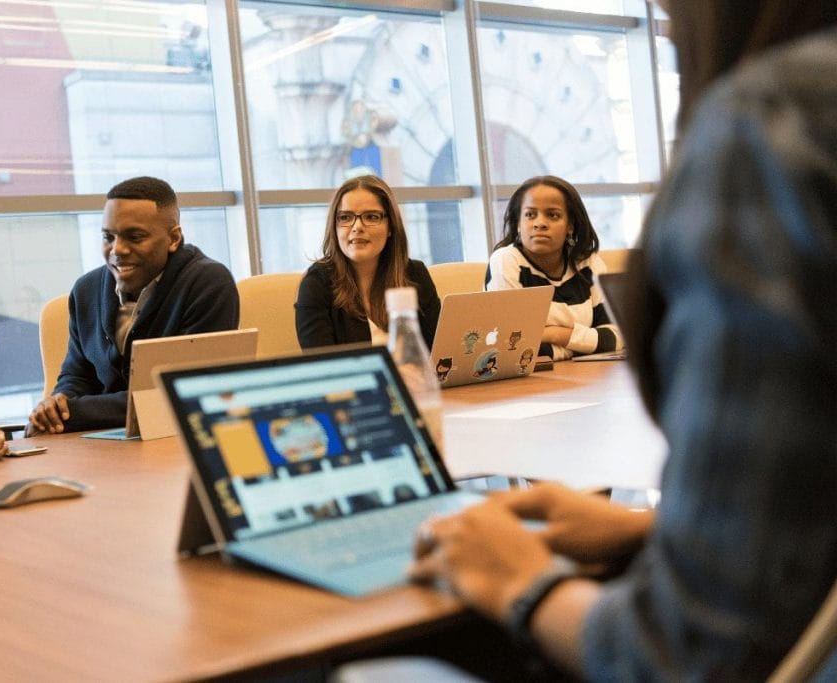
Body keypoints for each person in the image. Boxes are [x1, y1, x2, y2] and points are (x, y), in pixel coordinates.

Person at [411, 1, 837, 680]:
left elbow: (689, 650)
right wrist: (657, 532)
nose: (667, 21)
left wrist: (523, 578)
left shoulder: (771, 124)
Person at [27, 176, 239, 435]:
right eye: (108, 237)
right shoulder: (86, 290)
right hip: (101, 442)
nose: (118, 250)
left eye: (135, 237)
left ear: (173, 238)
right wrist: (56, 405)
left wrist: (74, 411)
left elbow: (178, 395)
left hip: (174, 440)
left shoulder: (208, 283)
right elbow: (77, 375)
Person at [484, 175, 623, 361]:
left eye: (553, 215)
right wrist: (578, 347)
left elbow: (617, 337)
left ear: (570, 226)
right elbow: (512, 346)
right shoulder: (506, 261)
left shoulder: (588, 264)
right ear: (518, 224)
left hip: (586, 378)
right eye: (530, 214)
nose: (539, 223)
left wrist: (555, 334)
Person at [295, 175, 441, 350]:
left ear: (391, 227)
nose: (357, 227)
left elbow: (439, 352)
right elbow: (323, 369)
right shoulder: (316, 284)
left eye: (371, 217)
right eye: (345, 218)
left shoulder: (415, 274)